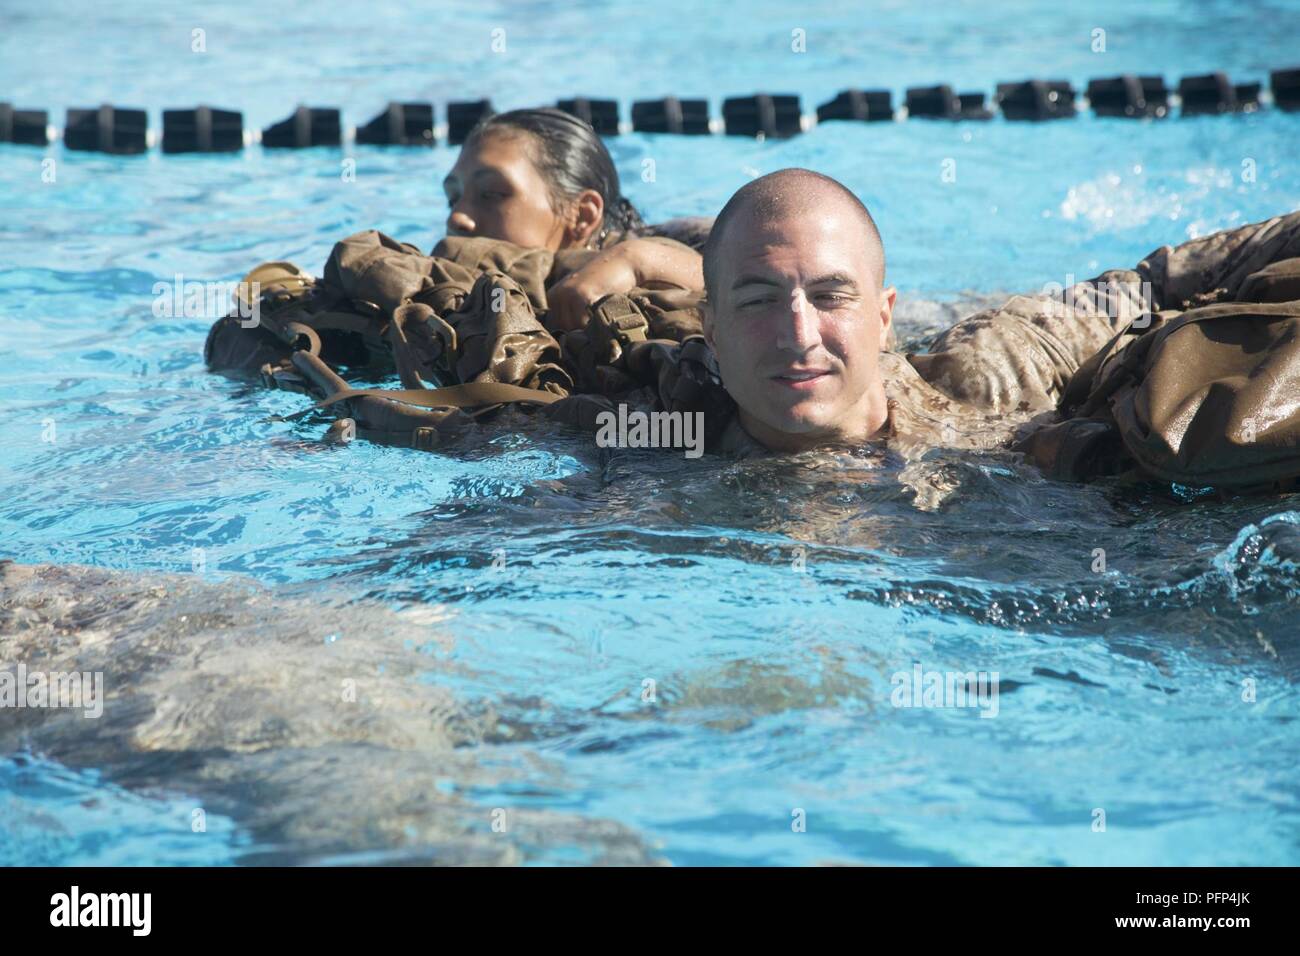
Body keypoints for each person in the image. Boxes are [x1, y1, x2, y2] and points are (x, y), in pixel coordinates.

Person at [689, 168, 1300, 488]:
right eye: (759, 301)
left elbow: (1156, 283)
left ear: (882, 316)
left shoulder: (990, 376)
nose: (798, 334)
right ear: (710, 327)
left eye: (829, 296)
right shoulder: (657, 451)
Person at [440, 108, 708, 332]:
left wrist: (637, 260)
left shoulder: (678, 238)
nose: (456, 217)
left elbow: (741, 265)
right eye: (453, 199)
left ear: (582, 215)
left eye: (491, 194)